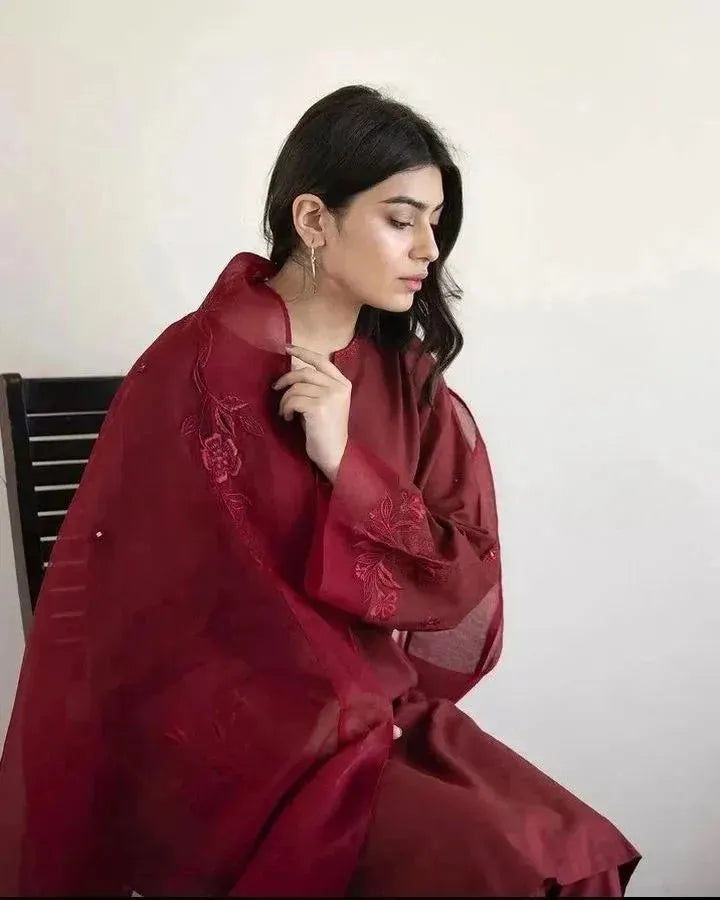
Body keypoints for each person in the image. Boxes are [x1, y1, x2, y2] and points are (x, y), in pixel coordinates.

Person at [0, 85, 640, 897]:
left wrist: (348, 465)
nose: (428, 249)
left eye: (436, 222)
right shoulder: (194, 369)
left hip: (375, 717)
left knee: (572, 859)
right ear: (313, 220)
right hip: (237, 745)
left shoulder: (407, 379)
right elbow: (148, 615)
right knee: (501, 867)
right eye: (401, 219)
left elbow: (463, 574)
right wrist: (334, 708)